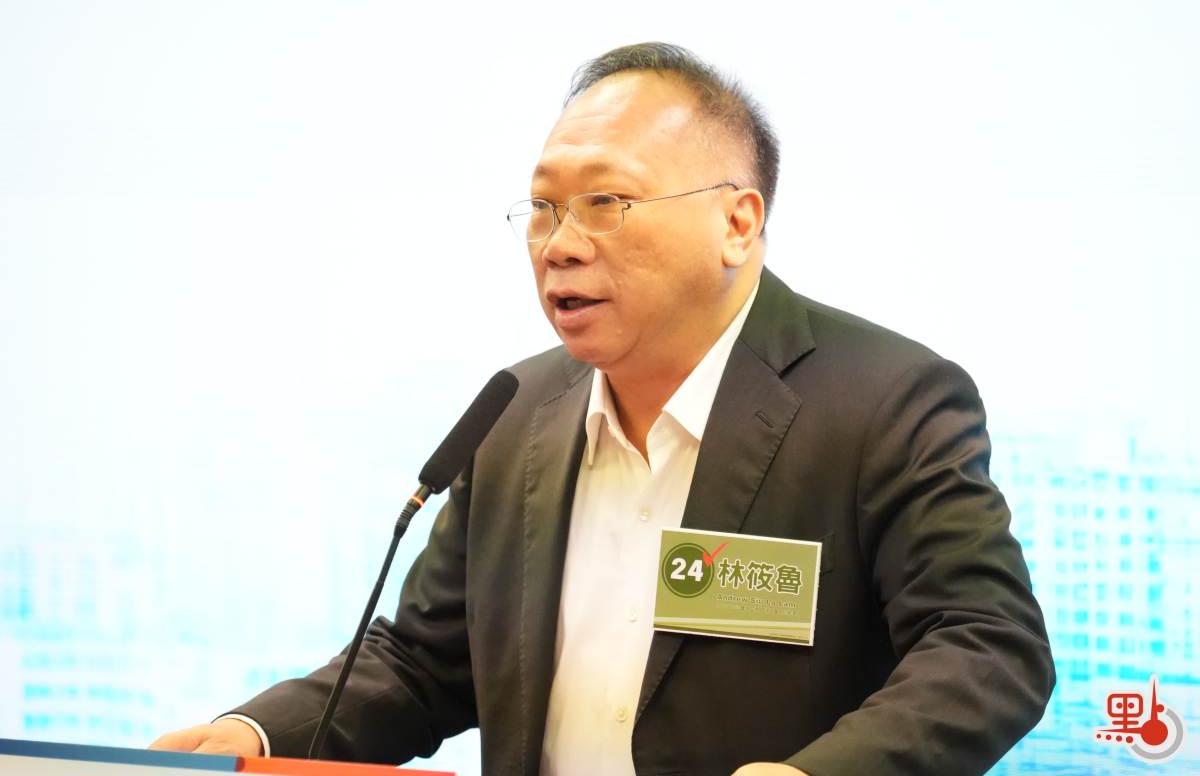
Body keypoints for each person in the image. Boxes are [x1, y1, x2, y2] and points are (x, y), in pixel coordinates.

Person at [151, 42, 1054, 776]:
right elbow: (424, 661)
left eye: (606, 203)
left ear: (737, 223)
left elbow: (987, 645)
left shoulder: (882, 401)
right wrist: (252, 736)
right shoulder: (516, 416)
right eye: (543, 209)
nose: (560, 245)